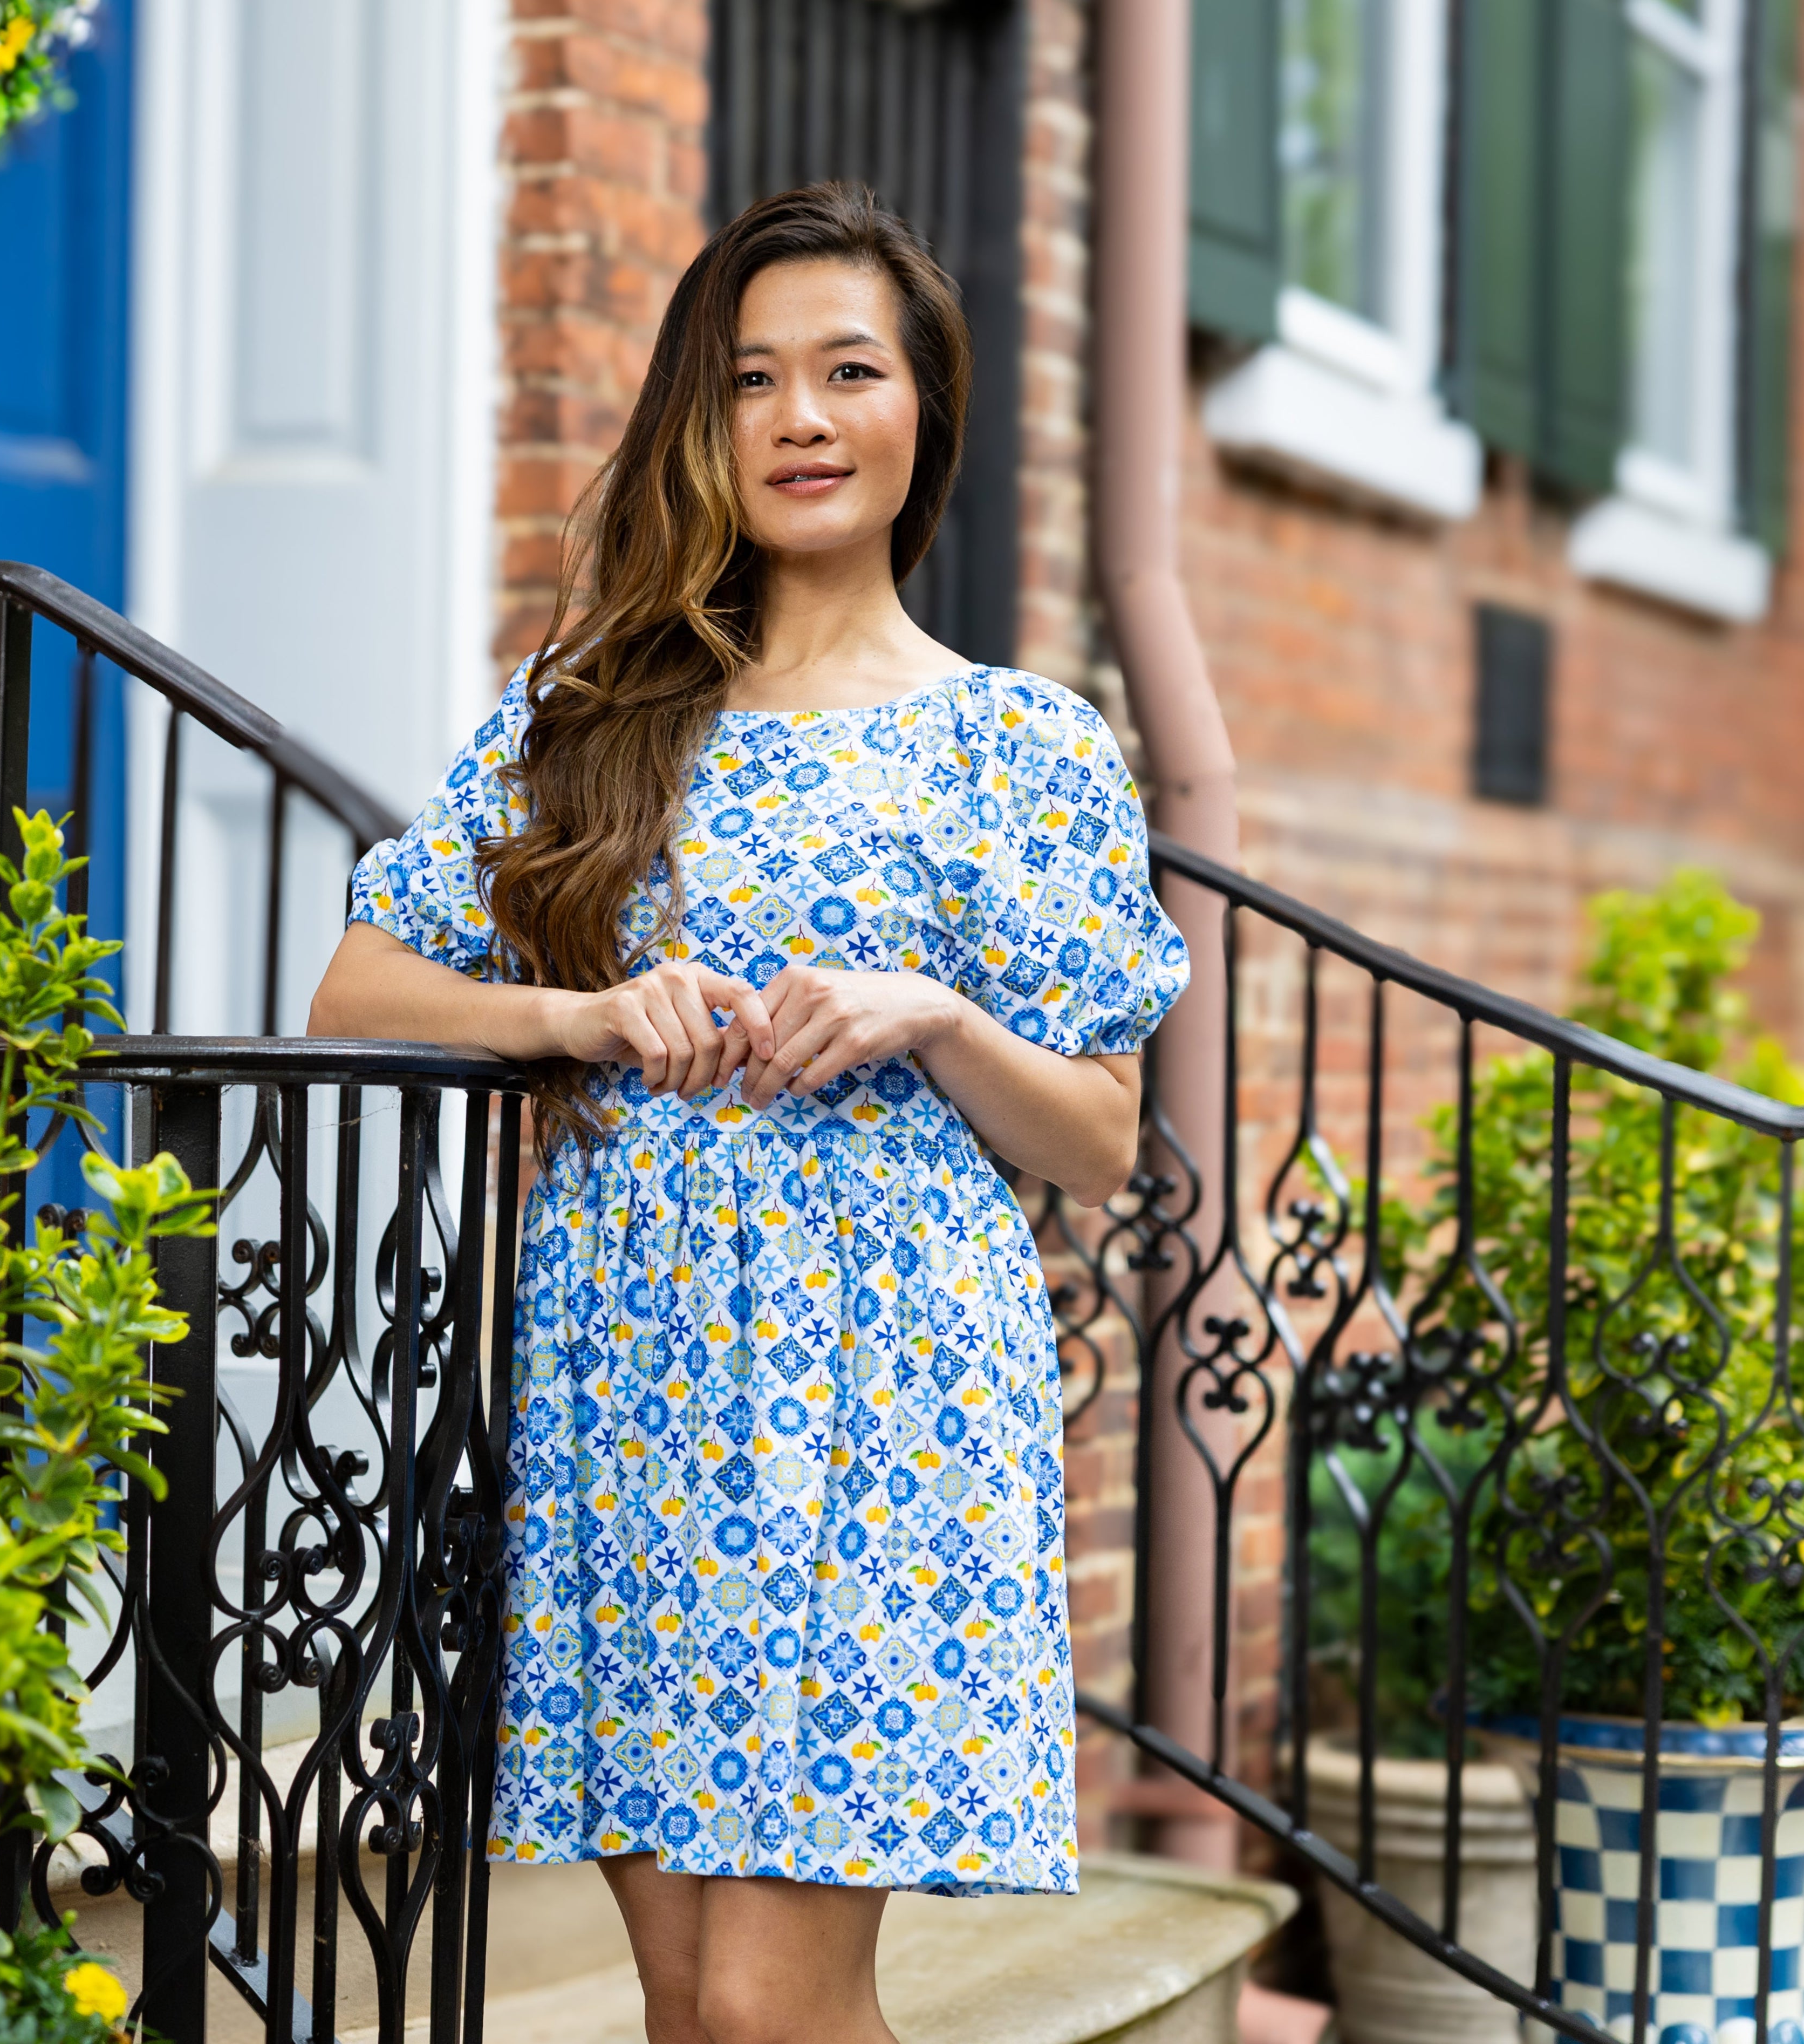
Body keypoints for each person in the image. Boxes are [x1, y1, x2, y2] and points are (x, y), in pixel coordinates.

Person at [309, 181, 1188, 2044]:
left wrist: (933, 1011)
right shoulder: (591, 708)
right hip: (626, 1385)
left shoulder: (1018, 742)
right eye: (750, 380)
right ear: (698, 427)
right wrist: (584, 1008)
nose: (798, 417)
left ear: (919, 411)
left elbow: (1099, 1140)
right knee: (692, 2010)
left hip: (875, 1402)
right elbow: (359, 993)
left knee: (780, 2013)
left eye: (846, 371)